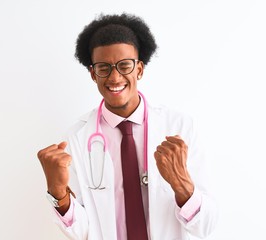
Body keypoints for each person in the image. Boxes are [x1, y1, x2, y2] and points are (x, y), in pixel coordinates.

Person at [37, 13, 218, 240]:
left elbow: (206, 226)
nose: (114, 77)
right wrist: (58, 193)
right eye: (104, 68)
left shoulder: (179, 127)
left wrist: (181, 183)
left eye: (124, 65)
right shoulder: (76, 139)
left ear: (139, 69)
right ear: (93, 74)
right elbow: (83, 233)